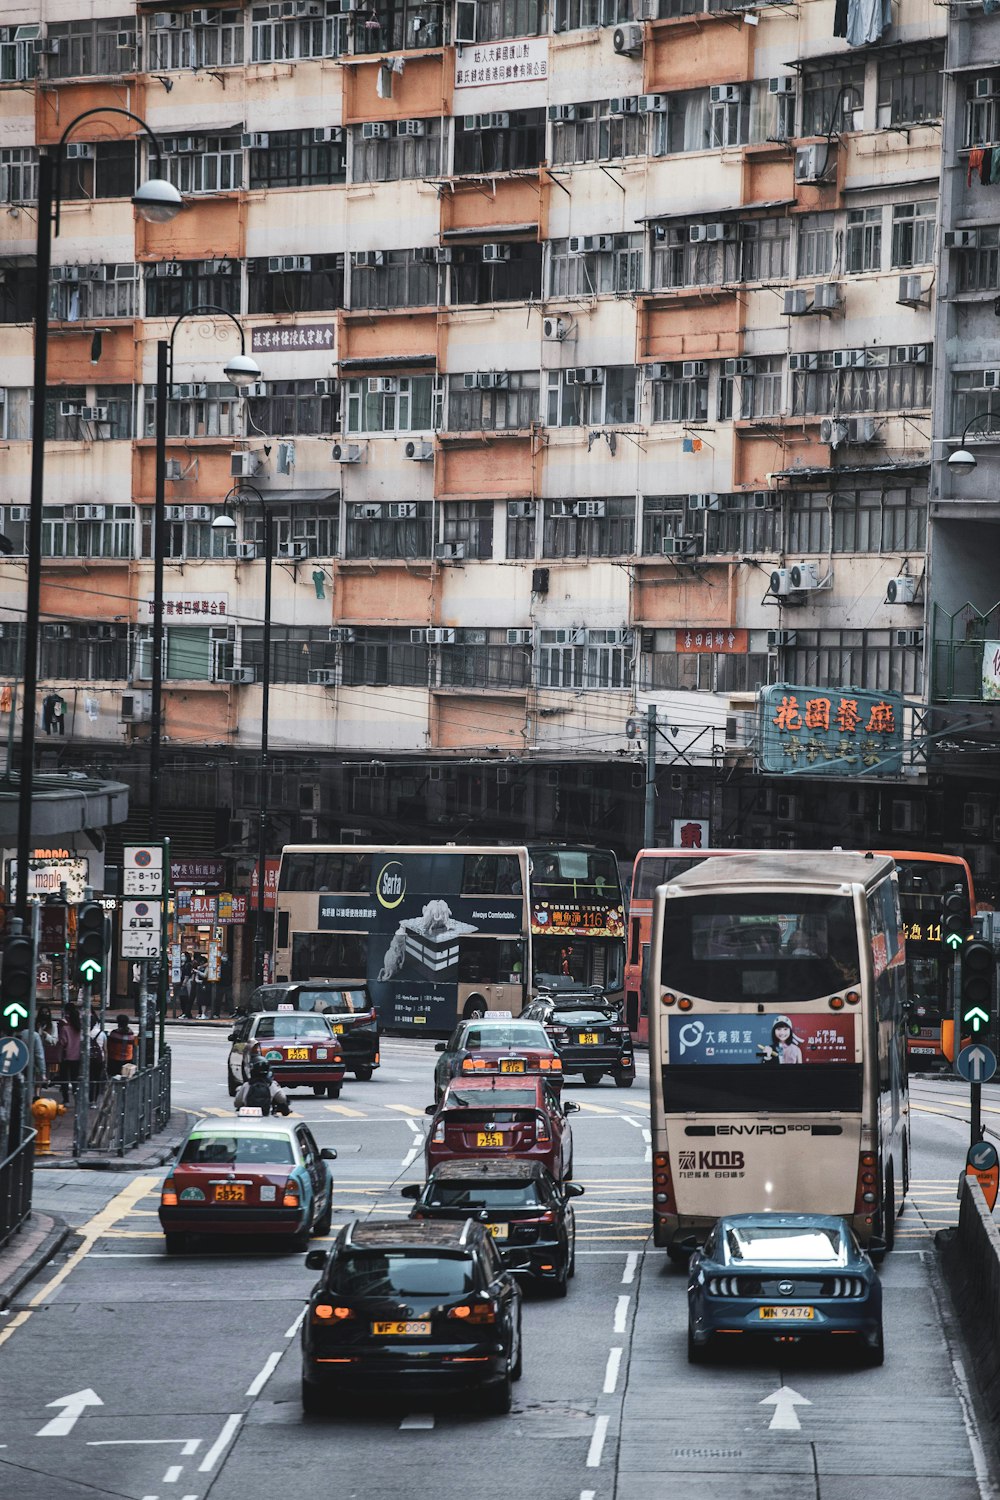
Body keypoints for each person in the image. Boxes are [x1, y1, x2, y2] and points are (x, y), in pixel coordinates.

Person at [58, 1003, 83, 1104]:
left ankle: (66, 1100)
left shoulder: (65, 1028)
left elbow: (62, 1042)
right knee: (75, 1079)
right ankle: (76, 1098)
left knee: (64, 1079)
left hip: (66, 1056)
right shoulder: (79, 1027)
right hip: (77, 1056)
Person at [38, 1006, 62, 1084]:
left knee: (46, 1069)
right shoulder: (35, 1024)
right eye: (42, 1012)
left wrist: (46, 1035)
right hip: (36, 1052)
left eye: (46, 1012)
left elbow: (54, 1040)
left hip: (47, 1052)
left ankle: (45, 1081)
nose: (44, 1014)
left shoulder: (53, 1025)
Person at [89, 1010, 108, 1101]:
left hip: (88, 1059)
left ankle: (89, 1097)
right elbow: (105, 1049)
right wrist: (106, 1061)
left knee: (88, 1078)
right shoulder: (101, 1033)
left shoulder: (84, 1033)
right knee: (96, 1079)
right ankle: (94, 1100)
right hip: (99, 1059)